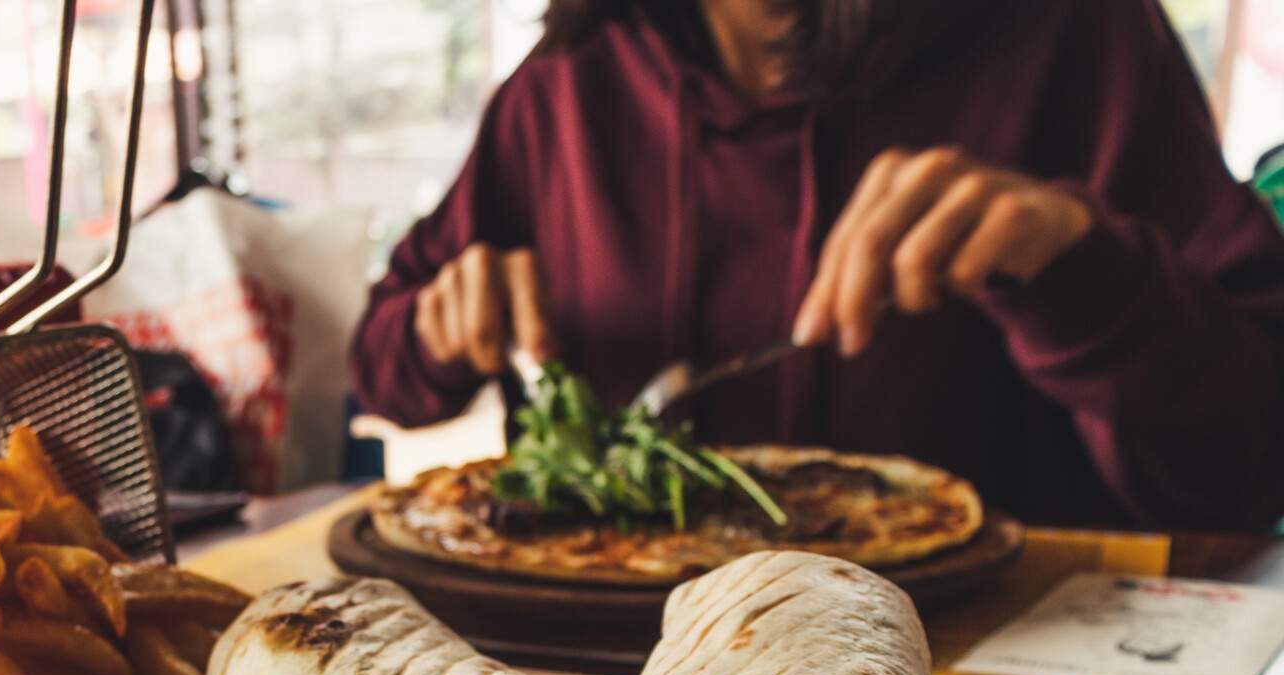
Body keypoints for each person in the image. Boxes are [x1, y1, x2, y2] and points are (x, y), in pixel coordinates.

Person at [349, 0, 1284, 529]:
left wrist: (1080, 270)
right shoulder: (564, 87)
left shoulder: (1081, 38)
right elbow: (381, 371)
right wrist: (439, 323)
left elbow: (1254, 458)